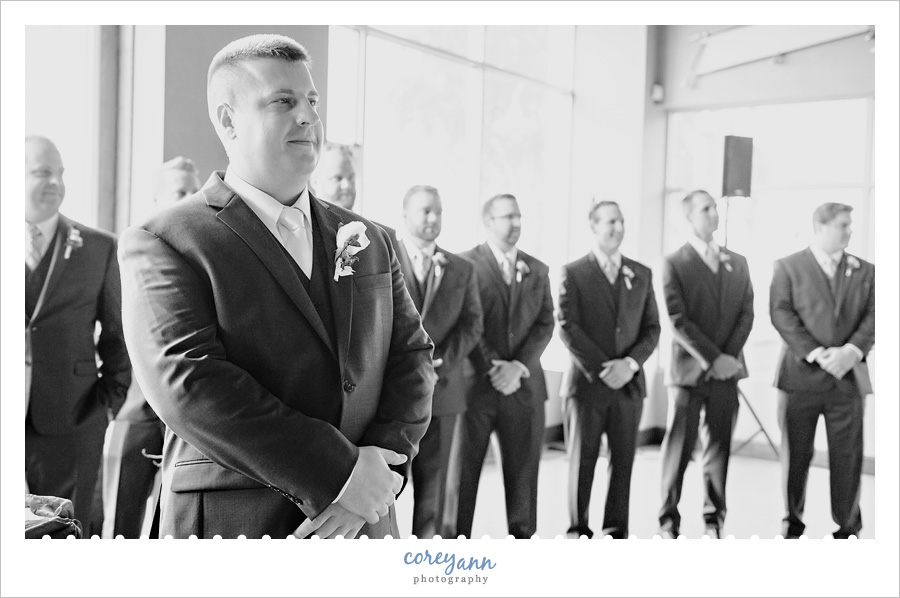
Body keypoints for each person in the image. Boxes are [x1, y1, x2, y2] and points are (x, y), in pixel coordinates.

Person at [117, 34, 434, 539]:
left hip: (366, 520)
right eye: (283, 101)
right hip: (236, 521)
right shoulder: (165, 240)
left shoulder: (368, 237)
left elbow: (412, 355)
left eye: (312, 101)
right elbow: (190, 384)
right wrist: (339, 474)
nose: (308, 116)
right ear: (228, 121)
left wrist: (380, 468)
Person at [25, 135, 131, 537]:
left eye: (60, 173)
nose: (55, 182)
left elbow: (119, 338)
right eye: (41, 172)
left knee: (67, 537)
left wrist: (104, 409)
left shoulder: (99, 248)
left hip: (73, 422)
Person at [101, 156, 201, 538]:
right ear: (157, 199)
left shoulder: (212, 255)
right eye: (180, 191)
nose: (190, 198)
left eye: (195, 189)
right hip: (136, 413)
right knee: (119, 528)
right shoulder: (134, 249)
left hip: (191, 422)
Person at [452, 193, 554, 539]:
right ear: (488, 222)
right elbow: (467, 321)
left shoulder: (538, 269)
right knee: (462, 479)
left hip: (524, 389)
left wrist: (518, 367)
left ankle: (521, 546)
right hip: (475, 389)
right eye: (507, 217)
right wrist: (494, 366)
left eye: (519, 217)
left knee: (524, 480)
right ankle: (453, 548)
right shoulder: (464, 264)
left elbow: (545, 323)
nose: (515, 224)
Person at [770, 202, 874, 539]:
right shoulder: (788, 266)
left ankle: (847, 526)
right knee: (796, 456)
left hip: (848, 379)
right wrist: (817, 353)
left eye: (850, 225)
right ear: (820, 227)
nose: (849, 231)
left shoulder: (866, 270)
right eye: (843, 225)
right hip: (799, 378)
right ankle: (792, 523)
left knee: (848, 458)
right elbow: (781, 314)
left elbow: (875, 315)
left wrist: (850, 351)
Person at [558, 201, 660, 539]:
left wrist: (629, 365)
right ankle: (578, 530)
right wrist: (604, 368)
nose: (617, 228)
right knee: (582, 461)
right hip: (587, 385)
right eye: (609, 221)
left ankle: (616, 530)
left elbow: (652, 328)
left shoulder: (641, 273)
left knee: (624, 462)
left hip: (628, 386)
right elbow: (567, 326)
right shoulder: (573, 272)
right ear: (593, 225)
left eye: (621, 221)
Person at [658, 189, 754, 539]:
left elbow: (746, 313)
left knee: (720, 449)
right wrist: (713, 358)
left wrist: (727, 360)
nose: (714, 213)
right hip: (687, 374)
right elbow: (678, 319)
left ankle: (715, 519)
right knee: (679, 450)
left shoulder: (737, 261)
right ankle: (669, 519)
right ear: (689, 217)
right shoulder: (674, 262)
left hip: (727, 374)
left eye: (715, 208)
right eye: (705, 209)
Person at [389, 185, 483, 539]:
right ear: (405, 215)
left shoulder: (462, 268)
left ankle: (425, 560)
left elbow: (472, 323)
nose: (433, 219)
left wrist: (440, 360)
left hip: (443, 393)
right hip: (393, 394)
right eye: (425, 211)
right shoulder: (384, 257)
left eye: (438, 212)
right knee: (387, 489)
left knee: (435, 491)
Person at [310, 142, 357, 211]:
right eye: (337, 178)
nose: (347, 185)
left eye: (351, 177)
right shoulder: (301, 220)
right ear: (315, 182)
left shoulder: (366, 221)